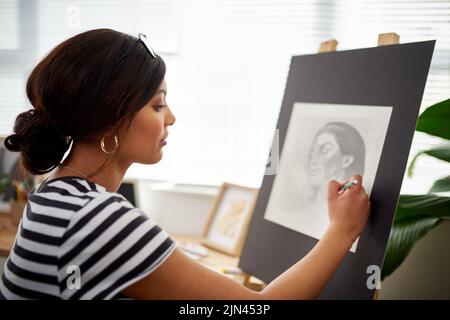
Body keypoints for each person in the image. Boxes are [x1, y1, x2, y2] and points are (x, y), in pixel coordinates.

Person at [0, 29, 370, 300]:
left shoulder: (55, 192)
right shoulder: (97, 217)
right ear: (110, 118)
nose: (171, 118)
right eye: (158, 105)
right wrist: (341, 230)